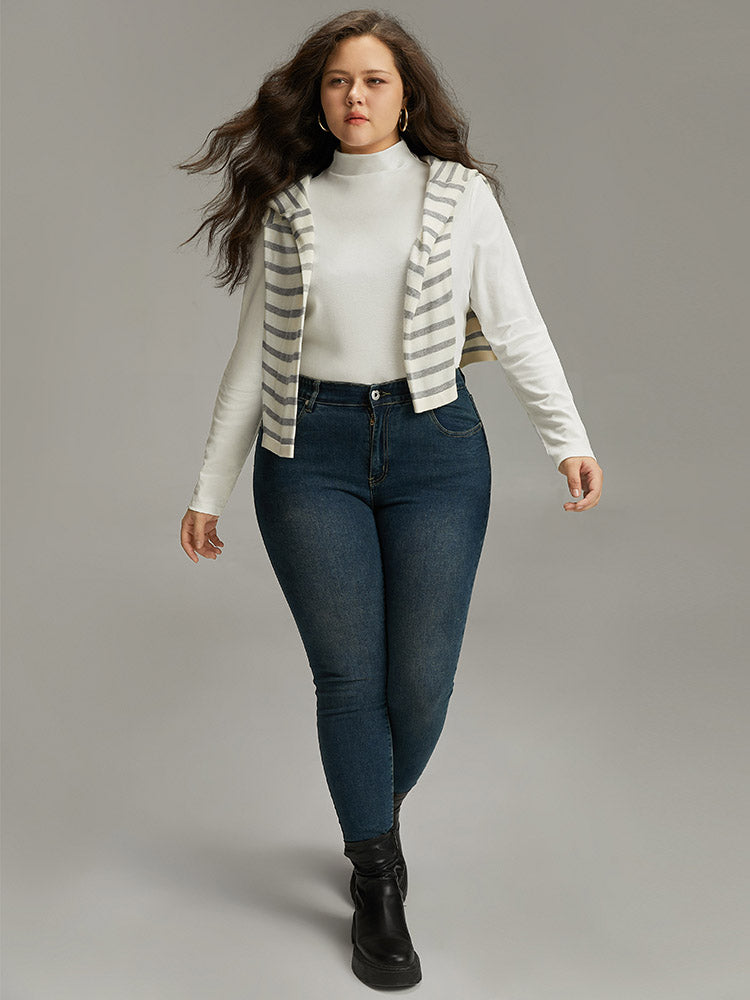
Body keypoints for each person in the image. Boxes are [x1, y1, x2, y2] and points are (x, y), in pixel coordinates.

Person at [178, 9, 603, 990]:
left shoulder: (459, 197)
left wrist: (567, 436)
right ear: (319, 100)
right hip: (308, 453)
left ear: (407, 95)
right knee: (348, 681)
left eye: (373, 79)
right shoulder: (291, 208)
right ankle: (376, 879)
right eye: (337, 81)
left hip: (436, 450)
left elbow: (517, 324)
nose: (355, 96)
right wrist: (208, 488)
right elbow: (251, 360)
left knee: (420, 684)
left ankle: (370, 805)